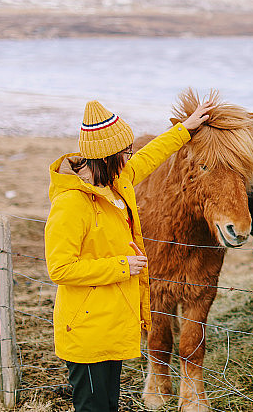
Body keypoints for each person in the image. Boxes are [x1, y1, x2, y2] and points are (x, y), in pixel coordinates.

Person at [44, 99, 214, 411]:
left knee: (108, 404)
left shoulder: (118, 182)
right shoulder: (71, 204)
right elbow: (60, 269)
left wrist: (184, 130)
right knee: (93, 407)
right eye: (124, 152)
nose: (130, 157)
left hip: (111, 326)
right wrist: (124, 266)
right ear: (106, 157)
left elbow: (151, 156)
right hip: (86, 331)